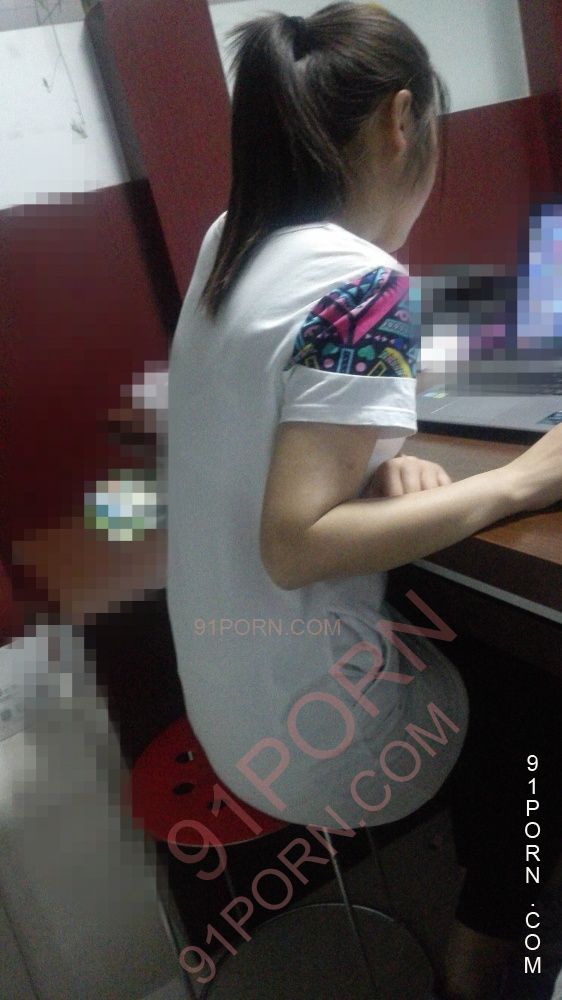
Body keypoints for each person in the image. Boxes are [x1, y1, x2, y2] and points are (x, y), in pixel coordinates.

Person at [166, 4, 562, 999]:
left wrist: (377, 460)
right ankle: (490, 947)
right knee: (544, 704)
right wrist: (519, 481)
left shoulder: (231, 242)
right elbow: (297, 542)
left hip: (231, 704)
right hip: (319, 735)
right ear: (401, 120)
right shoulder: (360, 285)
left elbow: (272, 428)